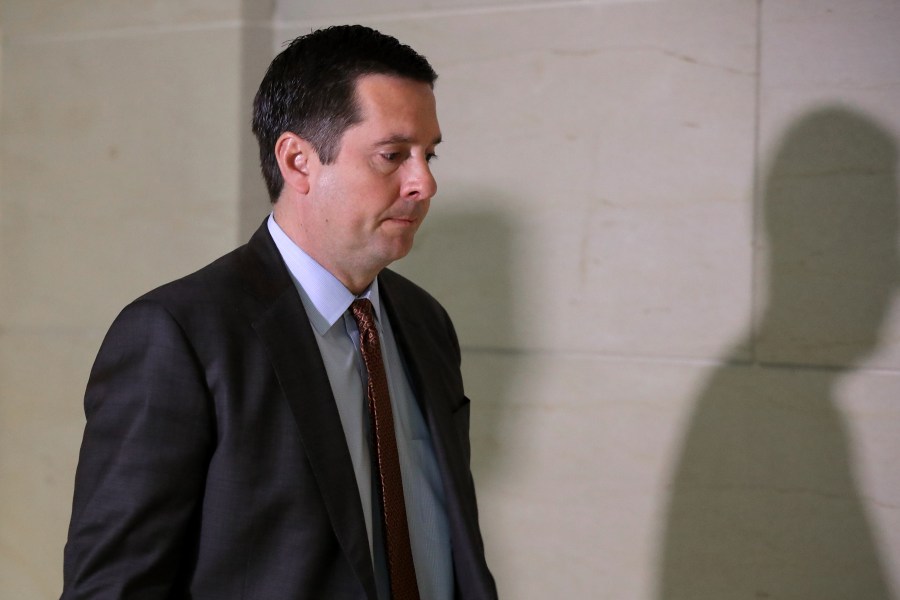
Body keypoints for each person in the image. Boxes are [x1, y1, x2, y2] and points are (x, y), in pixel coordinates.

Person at [61, 24, 497, 600]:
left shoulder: (426, 323)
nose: (424, 182)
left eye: (428, 154)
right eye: (393, 156)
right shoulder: (178, 334)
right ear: (297, 162)